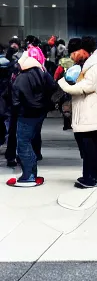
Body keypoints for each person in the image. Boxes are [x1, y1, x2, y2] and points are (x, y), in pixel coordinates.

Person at [58, 37, 97, 188]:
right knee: (90, 146)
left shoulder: (95, 65)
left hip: (91, 110)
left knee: (90, 147)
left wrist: (63, 84)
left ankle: (91, 178)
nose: (74, 56)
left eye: (76, 52)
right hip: (90, 109)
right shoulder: (93, 63)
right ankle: (89, 176)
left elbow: (86, 86)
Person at [6, 50, 55, 187]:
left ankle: (28, 176)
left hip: (25, 115)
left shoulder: (20, 79)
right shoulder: (43, 73)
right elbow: (53, 87)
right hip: (39, 114)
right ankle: (32, 173)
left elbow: (15, 102)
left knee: (23, 145)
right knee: (30, 143)